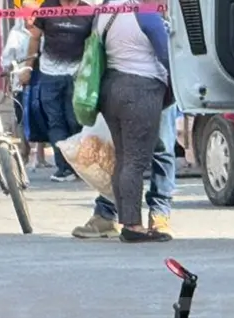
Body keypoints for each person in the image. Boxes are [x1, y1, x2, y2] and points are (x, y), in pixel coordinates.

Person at [90, 0, 175, 242]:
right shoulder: (145, 13)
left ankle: (127, 220)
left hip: (111, 88)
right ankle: (133, 227)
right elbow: (167, 55)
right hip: (141, 89)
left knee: (123, 158)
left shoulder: (104, 10)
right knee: (136, 161)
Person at [72, 105, 177, 240]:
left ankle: (160, 214)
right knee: (116, 146)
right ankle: (107, 213)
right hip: (124, 88)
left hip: (161, 89)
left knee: (162, 146)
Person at [20, 0, 94, 182]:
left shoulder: (88, 10)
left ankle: (79, 166)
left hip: (77, 75)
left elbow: (94, 42)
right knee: (55, 122)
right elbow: (35, 38)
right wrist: (28, 67)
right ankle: (64, 168)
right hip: (49, 75)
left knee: (76, 121)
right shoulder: (48, 7)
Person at [0, 15, 50, 170]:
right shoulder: (16, 34)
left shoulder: (44, 32)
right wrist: (11, 74)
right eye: (27, 16)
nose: (30, 19)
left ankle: (40, 156)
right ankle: (24, 153)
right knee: (22, 117)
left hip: (41, 78)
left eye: (33, 15)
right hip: (21, 81)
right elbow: (6, 59)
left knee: (40, 115)